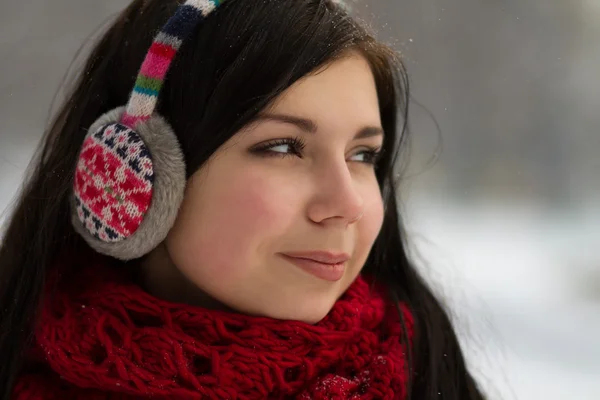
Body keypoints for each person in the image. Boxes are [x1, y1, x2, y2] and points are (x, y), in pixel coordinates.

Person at [0, 0, 485, 398]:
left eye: (363, 154)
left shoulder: (429, 375)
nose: (347, 204)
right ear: (131, 172)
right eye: (282, 147)